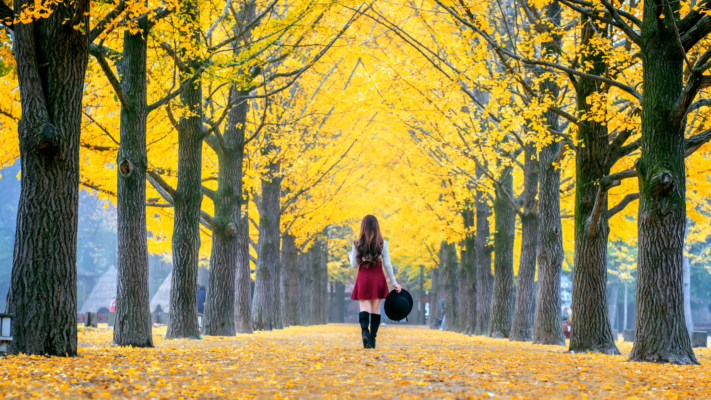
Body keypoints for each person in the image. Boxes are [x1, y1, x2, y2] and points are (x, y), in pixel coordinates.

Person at [348, 215, 401, 349]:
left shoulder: (357, 243)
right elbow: (387, 264)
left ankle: (365, 332)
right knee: (375, 310)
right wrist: (394, 282)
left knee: (364, 308)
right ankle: (372, 339)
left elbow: (354, 265)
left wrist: (350, 256)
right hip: (378, 278)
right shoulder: (383, 243)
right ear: (376, 227)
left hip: (363, 277)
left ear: (363, 227)